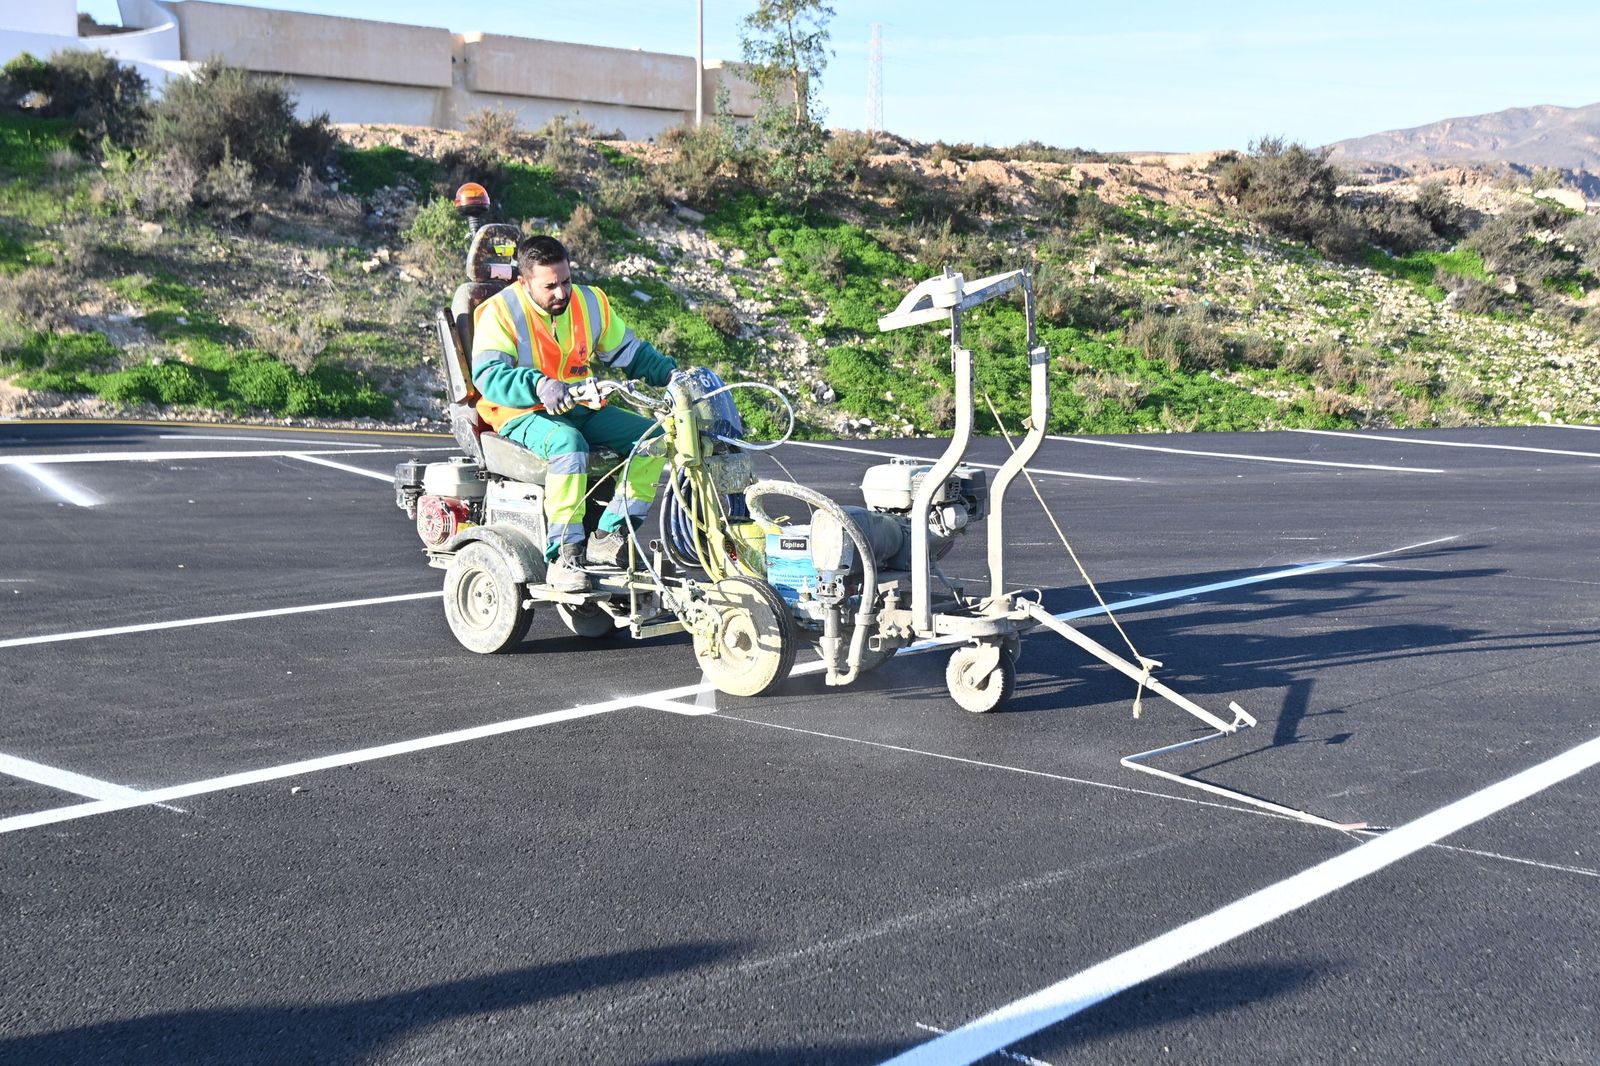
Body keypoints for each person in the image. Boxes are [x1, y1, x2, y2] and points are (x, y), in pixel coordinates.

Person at [470, 235, 680, 592]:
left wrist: (673, 375)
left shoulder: (590, 303)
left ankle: (609, 535)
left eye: (565, 281)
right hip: (520, 410)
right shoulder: (500, 311)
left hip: (579, 404)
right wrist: (538, 385)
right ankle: (563, 555)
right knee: (569, 445)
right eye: (549, 286)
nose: (561, 293)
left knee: (655, 439)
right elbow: (489, 376)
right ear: (524, 282)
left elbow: (629, 353)